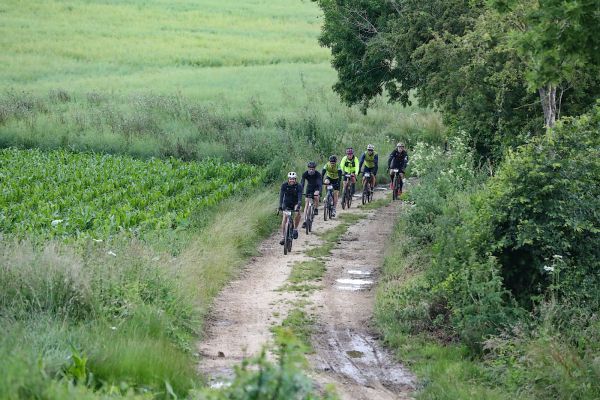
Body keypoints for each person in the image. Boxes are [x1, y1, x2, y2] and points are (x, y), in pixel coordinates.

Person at [278, 171, 303, 245]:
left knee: (297, 213)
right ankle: (283, 237)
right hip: (286, 203)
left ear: (295, 179)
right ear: (288, 179)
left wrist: (298, 204)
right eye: (290, 179)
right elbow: (281, 196)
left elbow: (299, 196)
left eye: (293, 179)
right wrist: (280, 205)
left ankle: (295, 229)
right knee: (284, 218)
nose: (291, 180)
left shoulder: (299, 186)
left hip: (295, 203)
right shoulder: (284, 185)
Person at [301, 161, 322, 228]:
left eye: (312, 168)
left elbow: (320, 184)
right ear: (308, 168)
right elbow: (302, 183)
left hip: (316, 187)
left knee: (316, 196)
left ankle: (316, 208)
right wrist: (301, 191)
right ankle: (304, 221)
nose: (311, 170)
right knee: (307, 203)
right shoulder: (305, 174)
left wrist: (319, 192)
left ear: (315, 168)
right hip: (309, 188)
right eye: (310, 168)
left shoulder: (318, 174)